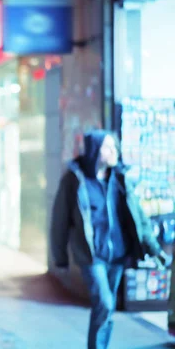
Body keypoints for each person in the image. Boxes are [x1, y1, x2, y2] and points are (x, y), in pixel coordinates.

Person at [51, 130, 170, 349]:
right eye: (108, 147)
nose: (114, 151)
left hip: (117, 254)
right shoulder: (75, 180)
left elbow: (139, 218)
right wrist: (60, 258)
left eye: (115, 146)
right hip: (91, 255)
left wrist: (155, 250)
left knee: (108, 306)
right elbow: (60, 220)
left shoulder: (120, 179)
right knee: (104, 303)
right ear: (95, 150)